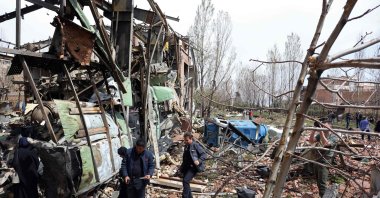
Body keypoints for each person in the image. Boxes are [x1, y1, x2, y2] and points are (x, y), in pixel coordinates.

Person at [308, 120, 338, 197]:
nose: (323, 127)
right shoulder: (320, 135)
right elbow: (311, 141)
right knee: (318, 181)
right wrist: (313, 131)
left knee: (322, 183)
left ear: (330, 127)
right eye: (322, 126)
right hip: (317, 159)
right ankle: (323, 195)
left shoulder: (334, 136)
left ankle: (324, 196)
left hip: (325, 161)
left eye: (325, 126)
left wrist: (321, 131)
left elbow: (326, 144)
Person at [180, 132, 207, 198]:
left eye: (187, 140)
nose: (185, 141)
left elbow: (204, 154)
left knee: (186, 180)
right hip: (186, 167)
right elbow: (185, 158)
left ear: (191, 139)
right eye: (185, 140)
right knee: (186, 182)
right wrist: (181, 168)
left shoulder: (195, 145)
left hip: (193, 167)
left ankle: (185, 196)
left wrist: (199, 161)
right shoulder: (186, 146)